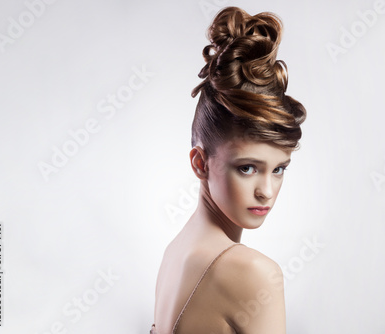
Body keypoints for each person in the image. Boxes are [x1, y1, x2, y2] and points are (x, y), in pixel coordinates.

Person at [151, 6, 306, 334]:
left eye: (279, 169)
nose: (266, 190)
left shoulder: (175, 253)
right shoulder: (253, 273)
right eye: (248, 168)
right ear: (200, 163)